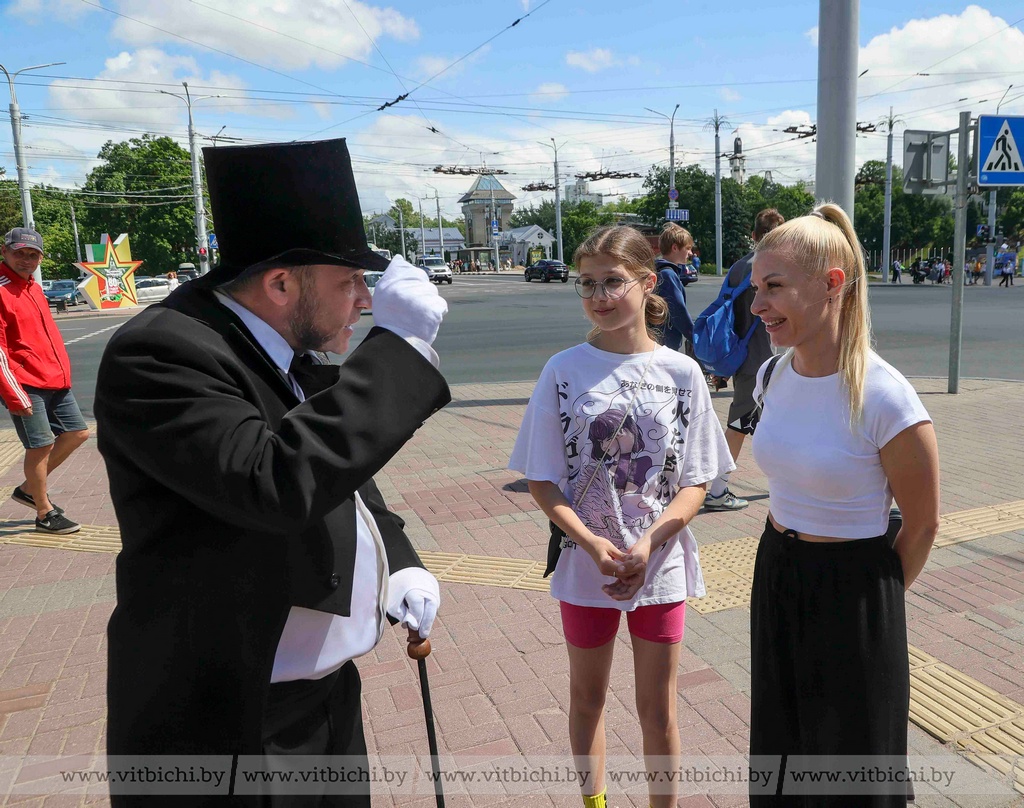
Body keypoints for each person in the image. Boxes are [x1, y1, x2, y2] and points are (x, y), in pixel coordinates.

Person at [94, 139, 451, 807]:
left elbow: (343, 472)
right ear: (281, 282)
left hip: (317, 700)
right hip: (227, 718)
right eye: (348, 281)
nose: (363, 299)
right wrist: (399, 351)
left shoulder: (273, 343)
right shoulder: (161, 352)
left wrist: (397, 556)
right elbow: (274, 483)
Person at [510, 225, 733, 808]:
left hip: (660, 569)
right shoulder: (563, 370)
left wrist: (652, 542)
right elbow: (541, 478)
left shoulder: (683, 374)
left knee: (657, 709)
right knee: (587, 698)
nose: (599, 296)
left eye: (613, 281)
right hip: (587, 568)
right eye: (587, 284)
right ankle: (596, 802)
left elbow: (696, 481)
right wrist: (589, 544)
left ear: (647, 282)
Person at [747, 204, 940, 806]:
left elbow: (925, 522)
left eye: (774, 287)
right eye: (757, 288)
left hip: (853, 588)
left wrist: (865, 598)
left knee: (851, 768)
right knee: (780, 748)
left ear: (833, 282)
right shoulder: (773, 375)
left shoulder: (885, 396)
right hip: (776, 567)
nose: (758, 306)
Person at [0, 227, 89, 535]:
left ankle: (28, 489)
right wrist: (15, 395)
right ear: (5, 252)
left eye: (33, 255)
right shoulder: (0, 289)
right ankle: (43, 512)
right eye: (19, 253)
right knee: (41, 445)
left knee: (77, 433)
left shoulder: (32, 286)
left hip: (53, 378)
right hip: (24, 383)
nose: (26, 260)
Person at [704, 208, 785, 513]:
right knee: (740, 423)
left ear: (753, 235)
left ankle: (789, 480)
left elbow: (730, 315)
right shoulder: (774, 267)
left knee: (773, 420)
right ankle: (717, 489)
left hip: (740, 354)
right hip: (762, 359)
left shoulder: (739, 267)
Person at [653, 224, 695, 351]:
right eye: (688, 248)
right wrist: (695, 337)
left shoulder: (657, 270)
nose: (690, 253)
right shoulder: (668, 275)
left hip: (656, 338)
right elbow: (678, 311)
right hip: (665, 340)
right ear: (675, 248)